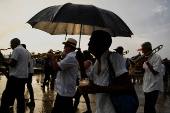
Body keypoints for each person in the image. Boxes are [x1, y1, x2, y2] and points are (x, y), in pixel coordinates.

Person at [77, 30, 133, 113]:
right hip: (100, 109)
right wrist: (81, 63)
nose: (88, 44)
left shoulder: (114, 57)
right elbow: (86, 81)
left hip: (114, 109)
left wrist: (99, 88)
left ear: (100, 44)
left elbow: (128, 87)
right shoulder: (96, 63)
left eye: (91, 41)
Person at [47, 38, 79, 113]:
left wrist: (52, 57)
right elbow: (59, 65)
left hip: (65, 92)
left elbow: (56, 67)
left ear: (69, 47)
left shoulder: (71, 57)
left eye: (65, 46)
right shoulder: (69, 57)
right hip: (64, 91)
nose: (64, 48)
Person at [0, 38, 29, 113]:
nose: (10, 45)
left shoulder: (16, 50)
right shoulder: (26, 51)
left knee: (5, 96)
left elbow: (13, 63)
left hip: (15, 77)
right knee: (20, 97)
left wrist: (6, 63)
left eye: (11, 44)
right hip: (23, 77)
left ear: (14, 43)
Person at [139, 42, 163, 113]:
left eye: (143, 50)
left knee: (150, 106)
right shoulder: (146, 58)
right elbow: (144, 71)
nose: (142, 52)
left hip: (154, 85)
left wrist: (146, 62)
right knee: (147, 105)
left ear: (149, 49)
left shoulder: (157, 57)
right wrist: (140, 67)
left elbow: (155, 72)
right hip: (147, 85)